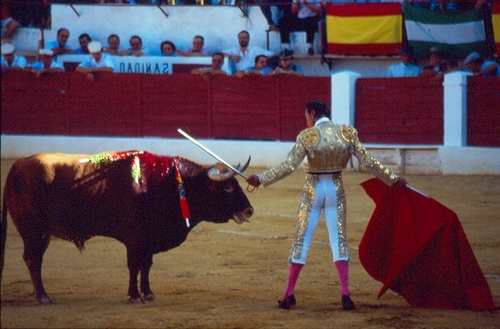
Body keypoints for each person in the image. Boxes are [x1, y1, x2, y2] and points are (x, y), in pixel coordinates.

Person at [246, 100, 408, 311]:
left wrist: (261, 178)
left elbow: (289, 166)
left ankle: (288, 294)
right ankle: (345, 294)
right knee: (338, 240)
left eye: (306, 115)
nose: (306, 120)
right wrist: (393, 179)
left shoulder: (308, 136)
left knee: (302, 240)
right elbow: (369, 162)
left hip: (313, 190)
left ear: (312, 113)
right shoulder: (347, 133)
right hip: (335, 189)